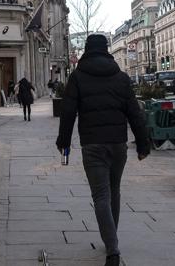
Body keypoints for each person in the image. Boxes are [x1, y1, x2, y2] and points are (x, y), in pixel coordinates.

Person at [56, 34, 150, 266]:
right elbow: (134, 113)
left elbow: (68, 112)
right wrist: (143, 144)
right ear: (107, 50)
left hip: (93, 144)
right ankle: (112, 239)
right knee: (114, 191)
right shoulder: (121, 77)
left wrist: (64, 142)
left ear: (87, 50)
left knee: (101, 195)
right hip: (118, 144)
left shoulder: (77, 77)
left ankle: (112, 249)